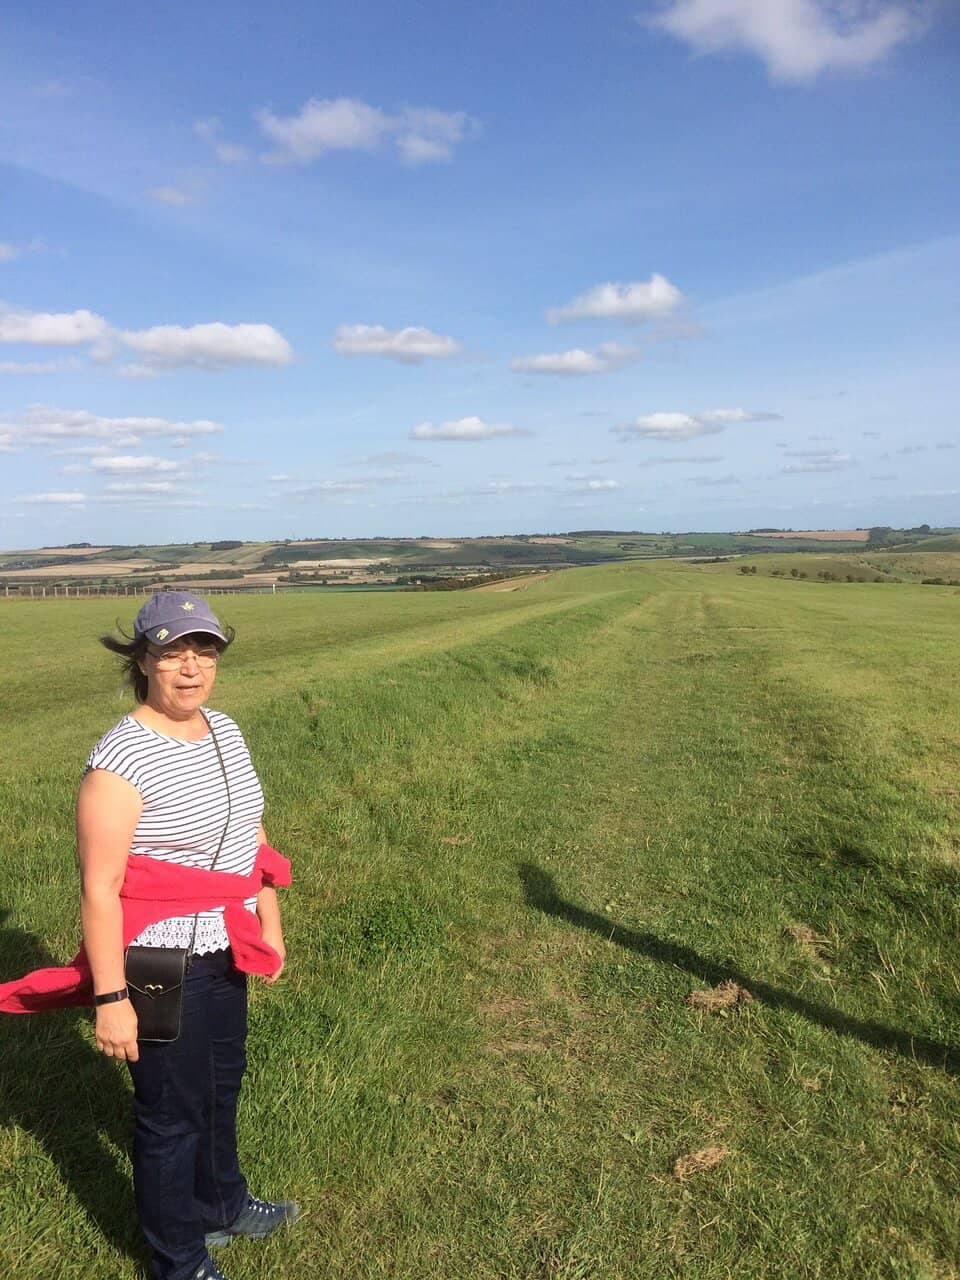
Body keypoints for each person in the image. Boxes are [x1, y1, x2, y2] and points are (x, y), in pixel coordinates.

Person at [1, 590, 297, 1280]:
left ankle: (222, 1203)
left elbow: (251, 834)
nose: (191, 668)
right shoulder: (120, 761)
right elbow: (101, 890)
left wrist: (269, 924)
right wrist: (110, 998)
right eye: (172, 652)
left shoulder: (224, 730)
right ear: (142, 661)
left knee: (222, 1083)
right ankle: (179, 1261)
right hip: (158, 959)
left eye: (205, 651)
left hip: (226, 942)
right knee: (170, 1114)